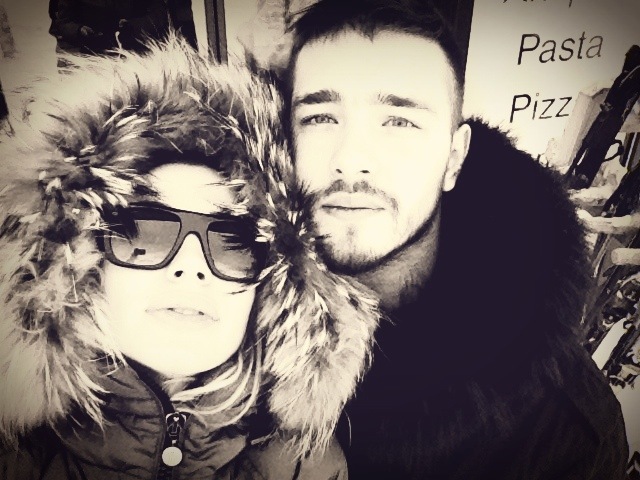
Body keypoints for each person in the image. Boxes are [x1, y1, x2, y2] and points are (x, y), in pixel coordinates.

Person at [0, 36, 380, 479]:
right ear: (79, 263)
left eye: (234, 240)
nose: (191, 266)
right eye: (144, 229)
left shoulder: (304, 467)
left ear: (273, 290)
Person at [283, 0, 630, 478]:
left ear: (454, 158)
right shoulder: (215, 324)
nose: (350, 159)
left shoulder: (564, 433)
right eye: (321, 117)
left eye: (399, 121)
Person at [49, 0, 170, 59]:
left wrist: (133, 25)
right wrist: (79, 30)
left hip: (129, 46)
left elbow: (159, 15)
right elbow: (62, 23)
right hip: (83, 50)